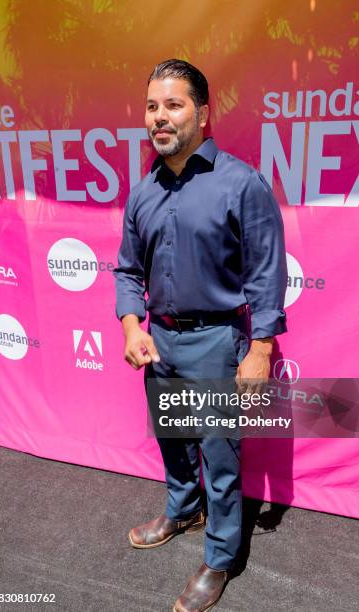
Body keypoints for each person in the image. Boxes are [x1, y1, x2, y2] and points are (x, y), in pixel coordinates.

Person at [114, 58, 287, 612]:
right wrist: (132, 324)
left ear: (203, 114)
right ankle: (181, 509)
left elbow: (266, 274)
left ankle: (221, 556)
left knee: (220, 457)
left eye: (174, 105)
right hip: (159, 341)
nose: (159, 118)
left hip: (217, 341)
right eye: (152, 107)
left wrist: (259, 350)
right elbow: (127, 271)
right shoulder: (143, 192)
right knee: (173, 441)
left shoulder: (241, 183)